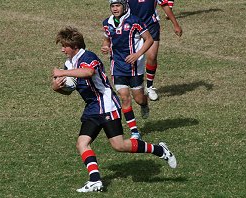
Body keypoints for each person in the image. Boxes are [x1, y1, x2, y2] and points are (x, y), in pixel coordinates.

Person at [52, 26, 177, 193]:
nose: (62, 50)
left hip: (107, 106)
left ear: (74, 46)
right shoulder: (69, 64)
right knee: (82, 143)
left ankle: (160, 149)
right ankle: (95, 180)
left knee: (119, 145)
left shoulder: (88, 57)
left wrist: (61, 72)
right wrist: (57, 87)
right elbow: (69, 89)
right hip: (92, 108)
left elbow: (89, 71)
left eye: (64, 46)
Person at [101, 0, 153, 140]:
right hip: (117, 66)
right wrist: (105, 46)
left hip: (134, 67)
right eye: (113, 6)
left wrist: (137, 55)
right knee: (124, 97)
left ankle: (144, 103)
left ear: (124, 6)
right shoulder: (107, 23)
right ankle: (134, 131)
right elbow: (107, 40)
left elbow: (149, 39)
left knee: (138, 98)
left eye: (118, 6)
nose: (115, 9)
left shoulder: (135, 21)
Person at [128, 0, 182, 101]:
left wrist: (175, 24)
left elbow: (164, 5)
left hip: (151, 25)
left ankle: (149, 87)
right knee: (132, 58)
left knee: (152, 57)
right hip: (132, 26)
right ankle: (134, 86)